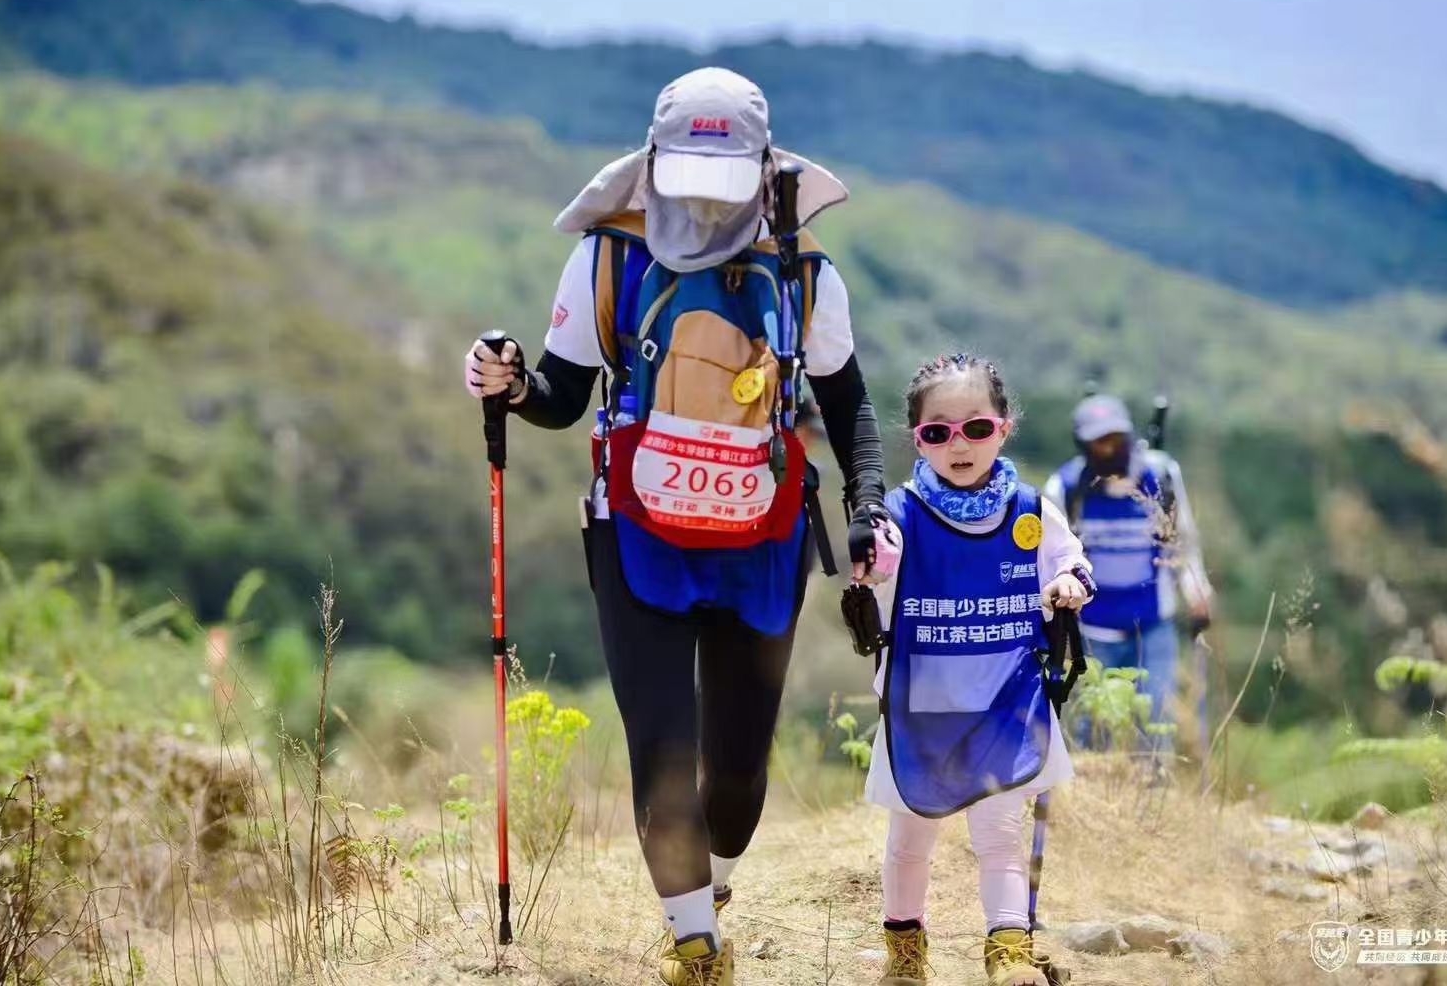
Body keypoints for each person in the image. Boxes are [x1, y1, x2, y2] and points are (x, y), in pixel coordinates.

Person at [467, 67, 895, 985]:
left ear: (763, 170)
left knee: (736, 775)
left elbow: (849, 403)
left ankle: (717, 882)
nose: (704, 203)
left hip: (763, 539)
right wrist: (511, 385)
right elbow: (562, 396)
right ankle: (695, 945)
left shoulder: (808, 276)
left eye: (725, 184)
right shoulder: (605, 259)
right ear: (654, 165)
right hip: (637, 536)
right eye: (688, 180)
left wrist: (869, 508)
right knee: (661, 746)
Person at [861, 354, 1092, 986]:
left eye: (976, 428)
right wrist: (869, 558)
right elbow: (880, 561)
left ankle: (1008, 950)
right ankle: (905, 953)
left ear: (1005, 427)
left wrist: (1069, 583)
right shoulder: (903, 513)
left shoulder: (1030, 511)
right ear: (918, 439)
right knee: (911, 839)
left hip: (1006, 704)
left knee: (999, 836)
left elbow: (1072, 562)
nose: (958, 445)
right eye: (938, 432)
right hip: (922, 708)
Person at [1043, 394, 1213, 762]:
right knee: (1090, 722)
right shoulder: (1066, 487)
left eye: (1115, 439)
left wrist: (1197, 590)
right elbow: (1050, 555)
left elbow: (1183, 538)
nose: (1108, 449)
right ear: (1083, 445)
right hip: (1091, 629)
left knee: (1153, 720)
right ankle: (1091, 802)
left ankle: (1152, 799)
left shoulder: (1161, 476)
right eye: (1098, 441)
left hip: (1153, 623)